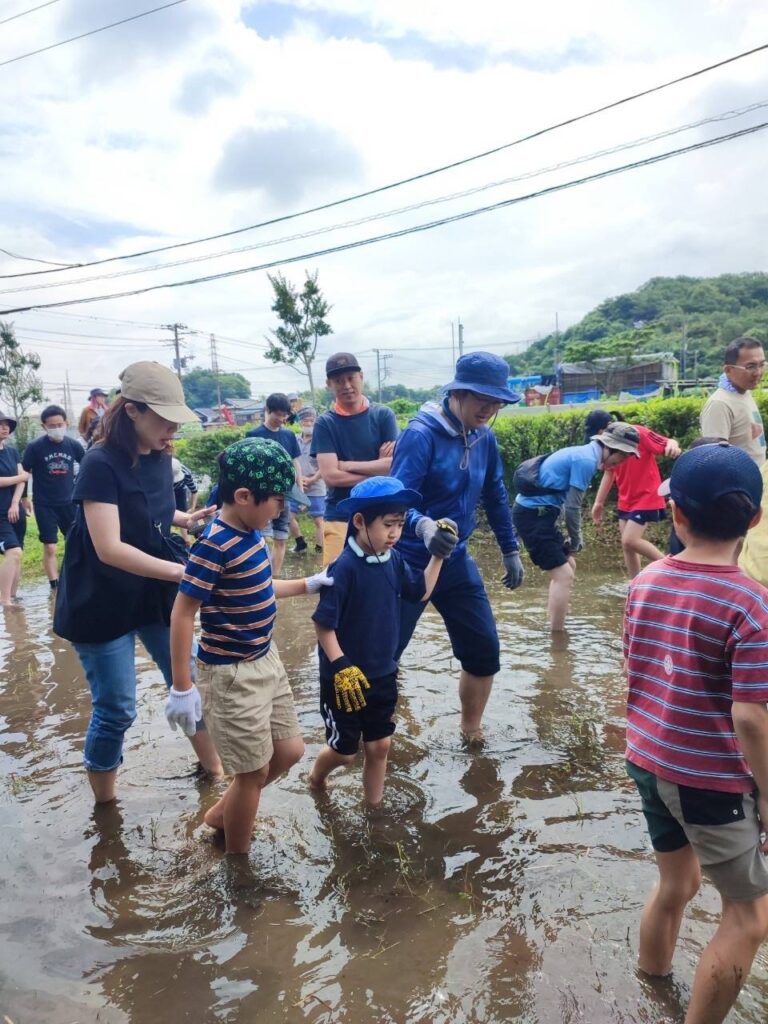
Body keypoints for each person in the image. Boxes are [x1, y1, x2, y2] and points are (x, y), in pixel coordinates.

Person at [624, 442, 768, 1024]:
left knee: (676, 885)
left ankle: (653, 985)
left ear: (675, 514)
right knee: (750, 918)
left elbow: (636, 666)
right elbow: (751, 717)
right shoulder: (752, 605)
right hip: (709, 782)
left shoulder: (646, 580)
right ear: (755, 520)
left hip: (649, 758)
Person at [53, 362, 221, 804]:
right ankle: (105, 807)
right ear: (133, 411)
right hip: (101, 597)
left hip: (151, 590)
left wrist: (185, 518)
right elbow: (109, 547)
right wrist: (183, 573)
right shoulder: (99, 464)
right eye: (165, 420)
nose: (173, 430)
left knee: (189, 682)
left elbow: (149, 510)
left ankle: (216, 773)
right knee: (117, 708)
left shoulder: (160, 456)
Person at [166, 438, 333, 855]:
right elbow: (183, 612)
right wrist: (182, 687)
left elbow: (261, 586)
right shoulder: (214, 544)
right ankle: (238, 862)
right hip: (230, 674)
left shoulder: (252, 534)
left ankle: (221, 815)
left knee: (290, 750)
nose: (283, 510)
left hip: (265, 658)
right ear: (243, 496)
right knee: (252, 772)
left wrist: (308, 584)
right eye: (278, 501)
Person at [391, 352, 525, 742]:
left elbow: (495, 494)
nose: (489, 409)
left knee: (484, 648)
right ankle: (375, 737)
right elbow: (396, 502)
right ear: (458, 393)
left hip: (455, 559)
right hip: (408, 560)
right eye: (482, 399)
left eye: (496, 402)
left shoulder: (485, 436)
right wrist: (422, 526)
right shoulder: (420, 435)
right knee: (383, 654)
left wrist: (510, 548)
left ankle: (471, 730)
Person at [308, 477, 448, 805]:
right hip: (344, 678)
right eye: (388, 525)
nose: (395, 533)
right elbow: (323, 624)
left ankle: (375, 808)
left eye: (400, 524)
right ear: (359, 521)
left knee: (380, 745)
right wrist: (341, 665)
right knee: (344, 753)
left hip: (383, 672)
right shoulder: (343, 568)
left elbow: (420, 591)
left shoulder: (393, 559)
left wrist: (439, 554)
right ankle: (315, 779)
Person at [513, 421, 641, 631]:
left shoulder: (584, 453)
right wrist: (576, 538)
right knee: (563, 574)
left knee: (569, 565)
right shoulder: (586, 460)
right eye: (624, 455)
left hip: (541, 515)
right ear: (611, 448)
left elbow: (565, 503)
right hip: (533, 516)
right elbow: (573, 507)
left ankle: (556, 617)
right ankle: (558, 635)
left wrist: (571, 538)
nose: (623, 461)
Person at [312, 353, 398, 565]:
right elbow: (331, 477)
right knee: (333, 578)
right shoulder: (325, 423)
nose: (347, 385)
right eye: (339, 381)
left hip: (381, 514)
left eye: (351, 378)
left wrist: (347, 465)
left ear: (361, 377)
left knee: (381, 577)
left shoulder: (383, 415)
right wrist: (377, 471)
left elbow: (393, 466)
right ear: (329, 384)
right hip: (340, 514)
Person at [591, 420, 681, 577]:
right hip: (626, 499)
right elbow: (609, 472)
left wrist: (672, 445)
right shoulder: (609, 443)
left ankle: (674, 571)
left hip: (647, 495)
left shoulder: (638, 434)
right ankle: (634, 583)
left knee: (630, 540)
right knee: (627, 546)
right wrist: (598, 502)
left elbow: (667, 442)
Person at [22, 404, 84, 590]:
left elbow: (88, 466)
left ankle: (74, 578)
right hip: (44, 504)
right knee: (50, 546)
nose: (57, 428)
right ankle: (54, 585)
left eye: (60, 424)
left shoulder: (73, 445)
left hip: (69, 502)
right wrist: (24, 497)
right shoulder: (35, 447)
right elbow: (23, 473)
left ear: (66, 423)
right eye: (52, 426)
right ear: (44, 426)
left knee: (74, 542)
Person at [247, 393, 303, 577]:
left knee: (281, 537)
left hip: (285, 494)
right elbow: (250, 467)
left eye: (284, 415)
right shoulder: (254, 435)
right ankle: (260, 575)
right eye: (277, 414)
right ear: (268, 410)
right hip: (262, 495)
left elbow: (295, 462)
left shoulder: (289, 435)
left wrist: (300, 489)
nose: (281, 418)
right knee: (262, 537)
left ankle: (275, 577)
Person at [700, 335, 766, 465]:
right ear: (729, 370)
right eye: (751, 366)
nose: (758, 372)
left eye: (762, 365)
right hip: (742, 478)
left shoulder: (745, 393)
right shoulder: (719, 404)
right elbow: (715, 459)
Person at [0, 412, 29, 606]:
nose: (5, 427)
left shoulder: (12, 452)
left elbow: (22, 480)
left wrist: (15, 503)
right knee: (14, 552)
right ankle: (4, 601)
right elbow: (22, 476)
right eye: (0, 424)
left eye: (7, 424)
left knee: (18, 555)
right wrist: (21, 477)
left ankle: (12, 597)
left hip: (15, 510)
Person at [289, 406, 326, 554]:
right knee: (288, 516)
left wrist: (311, 480)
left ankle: (319, 548)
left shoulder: (321, 440)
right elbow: (291, 461)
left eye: (312, 420)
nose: (309, 423)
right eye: (305, 420)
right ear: (300, 422)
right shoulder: (294, 439)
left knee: (318, 519)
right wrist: (298, 480)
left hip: (316, 486)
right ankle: (300, 543)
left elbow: (325, 466)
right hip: (297, 486)